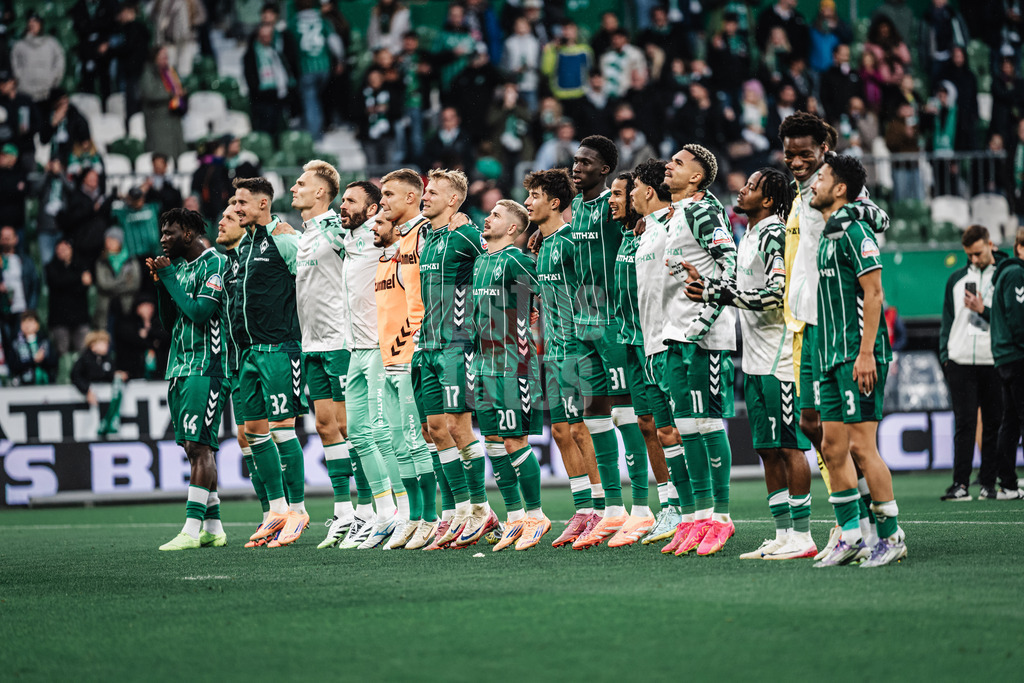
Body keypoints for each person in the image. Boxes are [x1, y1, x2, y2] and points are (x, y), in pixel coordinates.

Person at [687, 168, 817, 559]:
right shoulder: (749, 236)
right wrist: (711, 286)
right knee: (767, 449)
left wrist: (719, 294)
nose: (741, 189)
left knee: (790, 447)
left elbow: (777, 295)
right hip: (756, 360)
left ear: (768, 199)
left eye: (751, 186)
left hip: (781, 360)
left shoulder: (775, 233)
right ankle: (781, 534)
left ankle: (804, 535)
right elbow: (745, 290)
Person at [808, 153, 905, 567]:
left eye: (822, 177)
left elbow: (874, 293)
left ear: (841, 188)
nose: (814, 184)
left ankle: (890, 535)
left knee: (863, 448)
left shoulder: (855, 231)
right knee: (832, 448)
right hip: (828, 356)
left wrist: (866, 354)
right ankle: (852, 535)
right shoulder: (830, 234)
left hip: (855, 355)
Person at [291, 166, 380, 550]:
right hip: (311, 344)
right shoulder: (306, 235)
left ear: (322, 192)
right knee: (326, 427)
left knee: (351, 426)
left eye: (301, 184)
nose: (294, 188)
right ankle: (344, 513)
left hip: (342, 341)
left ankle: (371, 510)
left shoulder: (337, 228)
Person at [564, 136, 647, 550]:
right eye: (575, 160)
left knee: (627, 415)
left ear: (605, 169)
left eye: (585, 162)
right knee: (593, 415)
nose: (576, 167)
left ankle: (644, 508)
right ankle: (613, 510)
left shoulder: (618, 207)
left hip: (613, 323)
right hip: (581, 324)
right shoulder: (576, 206)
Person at [659, 144, 739, 557]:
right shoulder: (676, 214)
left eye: (678, 163)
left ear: (696, 177)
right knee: (687, 426)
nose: (668, 166)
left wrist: (703, 321)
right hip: (678, 334)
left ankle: (720, 517)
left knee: (706, 423)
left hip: (702, 338)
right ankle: (697, 517)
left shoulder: (703, 209)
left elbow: (731, 262)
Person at [524, 168, 602, 548]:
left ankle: (603, 510)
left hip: (577, 347)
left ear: (554, 202)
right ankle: (583, 508)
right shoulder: (543, 244)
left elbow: (592, 290)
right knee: (559, 430)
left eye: (534, 195)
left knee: (580, 428)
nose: (527, 202)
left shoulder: (573, 241)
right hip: (552, 349)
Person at [231, 176, 309, 547]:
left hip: (279, 349)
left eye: (242, 201)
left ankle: (297, 509)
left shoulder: (285, 239)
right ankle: (276, 511)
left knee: (281, 427)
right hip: (248, 354)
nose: (236, 207)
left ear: (263, 204)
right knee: (252, 431)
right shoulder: (245, 245)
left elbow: (311, 284)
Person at [416, 169, 492, 548]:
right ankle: (459, 509)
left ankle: (479, 509)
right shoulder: (428, 236)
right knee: (434, 429)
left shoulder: (466, 234)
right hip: (426, 345)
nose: (424, 196)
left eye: (432, 192)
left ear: (452, 200)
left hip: (455, 343)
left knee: (458, 427)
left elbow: (497, 258)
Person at [148, 207, 228, 551]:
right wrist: (162, 284)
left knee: (199, 446)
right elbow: (169, 322)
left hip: (207, 366)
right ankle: (214, 526)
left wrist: (169, 280)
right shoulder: (179, 268)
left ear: (190, 235)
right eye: (162, 233)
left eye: (170, 233)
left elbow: (198, 312)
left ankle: (191, 530)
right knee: (191, 446)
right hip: (179, 367)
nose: (163, 239)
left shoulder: (216, 264)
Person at [472, 199, 550, 551]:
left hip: (512, 363)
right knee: (493, 442)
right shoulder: (480, 262)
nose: (488, 218)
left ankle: (536, 515)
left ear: (514, 229)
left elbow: (545, 291)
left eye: (496, 216)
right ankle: (515, 517)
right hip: (483, 363)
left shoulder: (517, 259)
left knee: (515, 440)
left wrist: (531, 314)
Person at [630, 159, 694, 545]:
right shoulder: (647, 232)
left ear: (649, 191)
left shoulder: (674, 226)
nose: (632, 193)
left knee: (687, 429)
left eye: (635, 187)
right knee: (666, 431)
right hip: (650, 344)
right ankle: (679, 511)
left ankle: (702, 512)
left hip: (673, 343)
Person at [606, 171, 659, 545]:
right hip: (627, 340)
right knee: (643, 423)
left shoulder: (649, 233)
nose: (613, 200)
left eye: (619, 193)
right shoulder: (627, 235)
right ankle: (654, 508)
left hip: (652, 342)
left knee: (670, 425)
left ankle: (697, 510)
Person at [939, 225, 1005, 501]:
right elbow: (947, 321)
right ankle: (960, 484)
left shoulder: (1005, 276)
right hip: (961, 361)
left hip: (994, 360)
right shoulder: (956, 279)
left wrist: (984, 310)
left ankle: (989, 483)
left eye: (978, 253)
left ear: (990, 244)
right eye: (969, 254)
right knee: (964, 425)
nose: (974, 259)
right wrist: (946, 354)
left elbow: (1008, 318)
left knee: (992, 424)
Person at [987, 227, 1024, 499]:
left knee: (1010, 421)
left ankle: (1008, 484)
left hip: (1006, 357)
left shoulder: (1008, 273)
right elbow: (1017, 319)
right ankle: (1008, 481)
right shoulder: (1016, 274)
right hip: (1017, 355)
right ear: (1020, 248)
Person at [290, 0, 342, 141]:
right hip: (324, 66)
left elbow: (287, 47)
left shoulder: (293, 22)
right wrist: (340, 60)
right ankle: (317, 129)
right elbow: (335, 43)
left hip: (306, 68)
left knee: (310, 101)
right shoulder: (322, 20)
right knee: (316, 100)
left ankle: (315, 137)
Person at [45, 239, 92, 357]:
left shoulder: (81, 264)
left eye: (65, 249)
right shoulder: (51, 267)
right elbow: (57, 282)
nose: (62, 252)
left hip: (80, 317)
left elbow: (84, 285)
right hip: (59, 319)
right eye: (59, 249)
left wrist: (68, 283)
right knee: (62, 354)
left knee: (83, 353)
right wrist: (78, 279)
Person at [243, 23, 291, 138]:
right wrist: (256, 90)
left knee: (278, 126)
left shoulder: (274, 51)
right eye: (263, 36)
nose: (267, 38)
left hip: (276, 93)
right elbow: (250, 75)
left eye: (269, 35)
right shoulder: (251, 53)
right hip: (261, 96)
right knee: (264, 129)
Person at [139, 45, 187, 160]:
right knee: (162, 156)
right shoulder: (148, 73)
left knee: (177, 156)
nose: (166, 59)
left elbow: (178, 87)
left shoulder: (169, 72)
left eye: (167, 57)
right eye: (163, 56)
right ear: (154, 58)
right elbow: (150, 93)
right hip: (158, 123)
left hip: (173, 120)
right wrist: (171, 93)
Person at [10, 13, 65, 103]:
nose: (32, 25)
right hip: (26, 92)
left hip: (47, 92)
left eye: (35, 22)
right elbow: (14, 65)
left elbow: (60, 62)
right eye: (30, 22)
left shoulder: (52, 43)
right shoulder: (19, 45)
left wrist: (53, 78)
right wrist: (21, 79)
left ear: (41, 24)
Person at [93, 227, 141, 332]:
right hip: (106, 308)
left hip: (126, 306)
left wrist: (113, 286)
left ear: (120, 241)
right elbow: (103, 285)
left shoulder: (131, 261)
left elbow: (134, 285)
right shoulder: (101, 261)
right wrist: (123, 282)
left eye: (113, 239)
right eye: (107, 239)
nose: (109, 243)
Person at [0, 224, 38, 341]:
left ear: (16, 239)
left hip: (21, 309)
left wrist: (30, 308)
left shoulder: (25, 260)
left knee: (19, 343)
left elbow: (34, 284)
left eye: (9, 237)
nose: (6, 239)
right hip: (2, 310)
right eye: (3, 237)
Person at [71, 330, 123, 407]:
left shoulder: (108, 358)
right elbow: (76, 376)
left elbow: (108, 375)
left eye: (107, 343)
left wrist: (116, 375)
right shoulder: (84, 359)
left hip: (107, 399)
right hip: (87, 399)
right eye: (103, 343)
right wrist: (87, 390)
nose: (107, 345)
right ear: (93, 345)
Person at [8, 311, 56, 386]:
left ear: (37, 324)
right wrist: (33, 360)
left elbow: (54, 363)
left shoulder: (45, 342)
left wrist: (42, 360)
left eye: (30, 321)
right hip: (23, 385)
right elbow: (13, 366)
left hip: (45, 383)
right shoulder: (16, 344)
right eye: (24, 321)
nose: (27, 325)